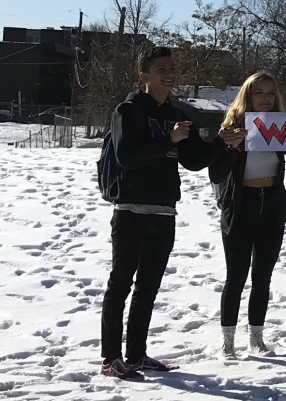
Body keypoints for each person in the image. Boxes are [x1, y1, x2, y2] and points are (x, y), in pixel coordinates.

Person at [100, 47, 210, 379]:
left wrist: (225, 143)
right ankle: (110, 359)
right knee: (120, 284)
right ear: (145, 76)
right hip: (131, 210)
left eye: (173, 68)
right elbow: (127, 158)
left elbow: (194, 160)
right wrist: (167, 140)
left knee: (148, 288)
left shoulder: (177, 114)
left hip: (164, 211)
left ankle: (136, 355)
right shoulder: (128, 111)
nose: (169, 73)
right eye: (162, 68)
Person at [209, 72, 286, 360]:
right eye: (258, 92)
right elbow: (216, 173)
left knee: (263, 278)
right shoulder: (232, 127)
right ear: (247, 96)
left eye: (270, 93)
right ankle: (227, 341)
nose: (265, 98)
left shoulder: (281, 126)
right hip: (241, 206)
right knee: (235, 278)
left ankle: (256, 338)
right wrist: (230, 146)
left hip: (271, 206)